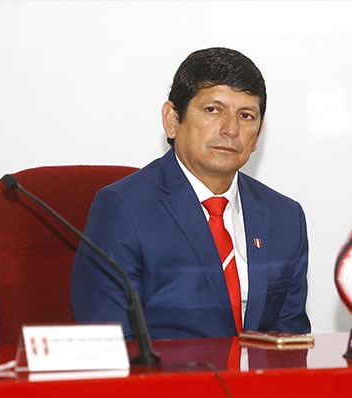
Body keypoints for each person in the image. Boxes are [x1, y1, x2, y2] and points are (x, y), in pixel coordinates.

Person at [71, 47, 311, 340]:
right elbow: (112, 342)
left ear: (258, 134)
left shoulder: (285, 218)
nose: (231, 130)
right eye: (213, 110)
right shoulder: (124, 209)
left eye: (246, 115)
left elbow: (290, 345)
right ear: (172, 120)